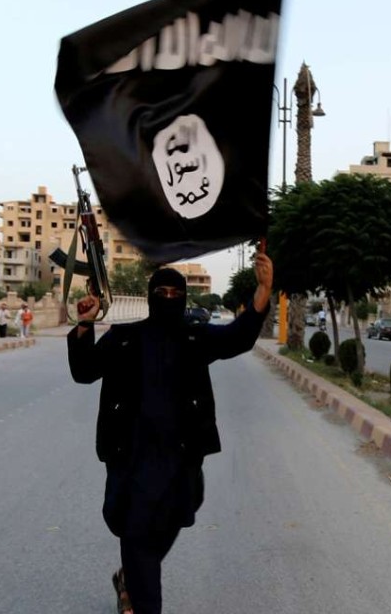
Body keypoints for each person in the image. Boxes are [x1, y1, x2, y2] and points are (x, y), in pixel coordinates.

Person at [68, 251, 273, 614]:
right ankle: (138, 591)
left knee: (171, 522)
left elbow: (237, 338)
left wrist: (263, 289)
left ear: (185, 299)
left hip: (181, 460)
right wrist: (84, 324)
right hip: (131, 460)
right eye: (161, 293)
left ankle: (130, 577)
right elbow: (84, 370)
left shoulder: (195, 338)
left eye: (175, 295)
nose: (168, 300)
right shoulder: (124, 338)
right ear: (150, 297)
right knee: (138, 538)